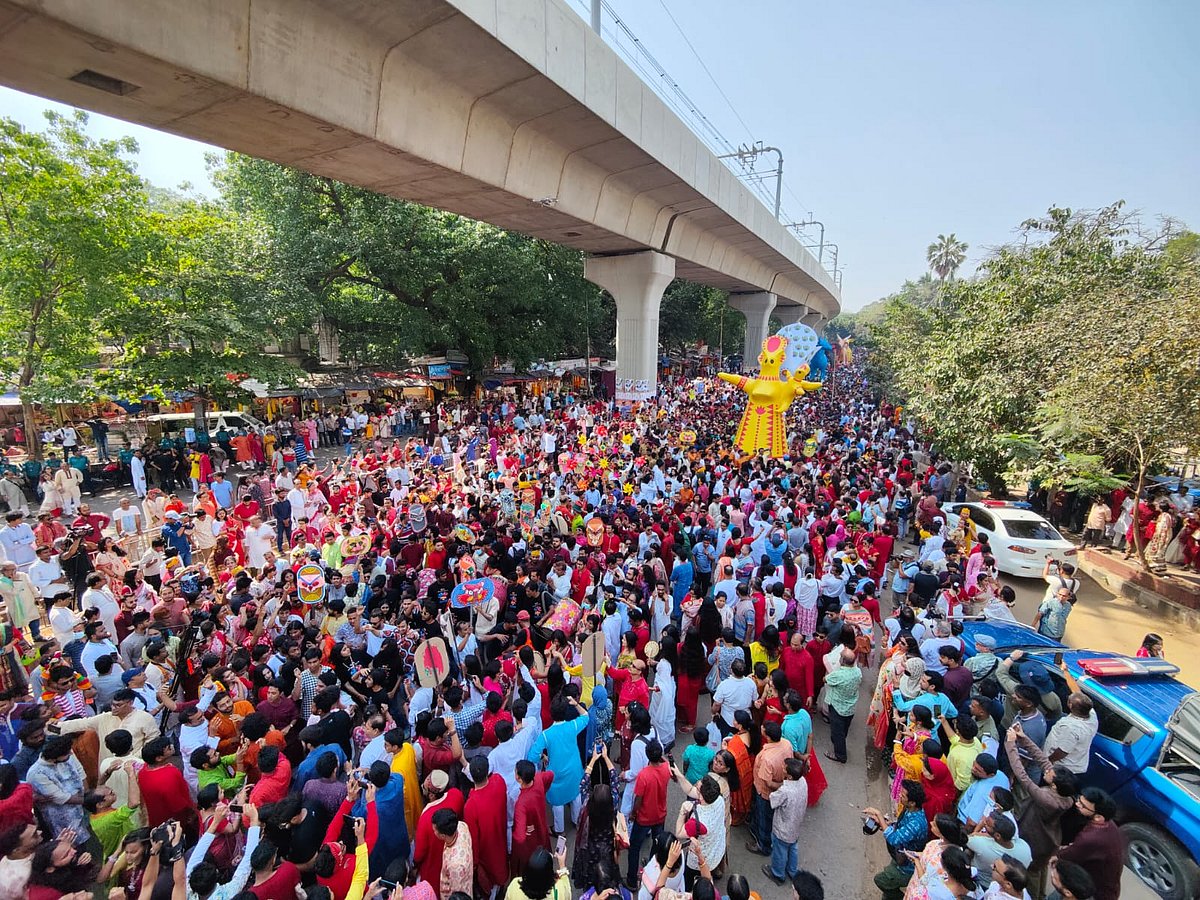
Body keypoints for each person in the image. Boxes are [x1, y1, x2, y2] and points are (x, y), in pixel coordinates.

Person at [864, 779, 928, 900]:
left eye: (903, 795)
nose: (899, 796)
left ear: (913, 802)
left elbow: (894, 839)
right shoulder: (910, 810)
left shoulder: (916, 823)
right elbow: (899, 827)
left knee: (880, 880)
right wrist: (885, 823)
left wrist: (878, 815)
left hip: (907, 867)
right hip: (900, 856)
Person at [1055, 788, 1125, 900]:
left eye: (1082, 805)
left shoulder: (1090, 839)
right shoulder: (1109, 824)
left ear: (1098, 817)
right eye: (1079, 800)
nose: (1077, 804)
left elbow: (1065, 856)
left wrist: (1055, 855)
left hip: (1093, 892)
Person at [761, 756, 807, 885]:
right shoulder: (802, 781)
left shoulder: (785, 791)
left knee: (779, 851)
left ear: (790, 776)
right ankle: (792, 871)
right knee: (793, 848)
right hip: (796, 824)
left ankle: (778, 874)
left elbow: (773, 800)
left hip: (783, 828)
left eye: (784, 769)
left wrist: (771, 786)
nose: (782, 769)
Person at [822, 649, 862, 764]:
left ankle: (840, 755)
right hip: (850, 706)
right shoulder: (858, 672)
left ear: (843, 661)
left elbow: (826, 680)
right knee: (844, 728)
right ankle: (839, 742)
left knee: (837, 731)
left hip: (837, 706)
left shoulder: (838, 675)